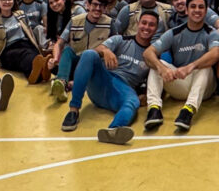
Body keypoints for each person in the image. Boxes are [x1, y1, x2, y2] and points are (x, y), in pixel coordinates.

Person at [61, 9, 158, 143]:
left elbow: (156, 77)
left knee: (132, 102)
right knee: (89, 54)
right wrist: (105, 50)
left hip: (122, 90)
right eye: (144, 23)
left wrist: (144, 93)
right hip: (103, 80)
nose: (147, 27)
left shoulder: (153, 54)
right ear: (138, 23)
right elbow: (97, 50)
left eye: (151, 25)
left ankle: (113, 130)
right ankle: (73, 111)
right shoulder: (121, 40)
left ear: (156, 28)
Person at [143, 0, 219, 131]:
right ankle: (154, 109)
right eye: (193, 7)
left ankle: (188, 111)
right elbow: (148, 53)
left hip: (205, 87)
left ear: (206, 10)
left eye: (201, 7)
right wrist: (162, 68)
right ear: (187, 9)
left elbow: (215, 54)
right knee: (155, 64)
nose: (197, 10)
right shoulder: (174, 32)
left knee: (205, 66)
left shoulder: (212, 32)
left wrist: (191, 66)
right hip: (181, 83)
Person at [49, 0, 112, 100]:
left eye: (101, 6)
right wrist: (54, 58)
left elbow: (117, 44)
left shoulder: (110, 23)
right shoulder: (75, 21)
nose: (97, 8)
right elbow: (59, 43)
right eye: (95, 4)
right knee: (67, 51)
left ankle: (72, 83)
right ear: (88, 5)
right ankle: (62, 82)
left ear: (105, 8)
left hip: (95, 63)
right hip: (77, 58)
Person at [0, 0, 50, 82]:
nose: (7, 2)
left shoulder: (21, 14)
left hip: (26, 45)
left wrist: (37, 47)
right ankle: (40, 71)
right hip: (7, 51)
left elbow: (30, 32)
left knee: (32, 53)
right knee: (26, 55)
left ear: (14, 1)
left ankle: (38, 74)